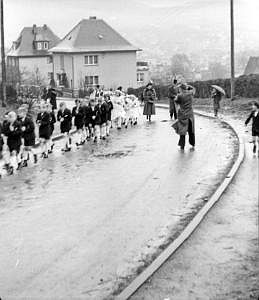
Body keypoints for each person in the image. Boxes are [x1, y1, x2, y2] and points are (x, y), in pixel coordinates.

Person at [173, 84, 196, 151]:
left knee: (182, 131)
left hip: (182, 115)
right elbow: (194, 88)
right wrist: (189, 86)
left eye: (179, 88)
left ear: (181, 89)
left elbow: (176, 101)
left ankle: (182, 146)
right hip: (190, 115)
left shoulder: (180, 96)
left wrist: (176, 98)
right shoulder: (190, 94)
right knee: (191, 130)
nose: (179, 89)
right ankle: (192, 144)